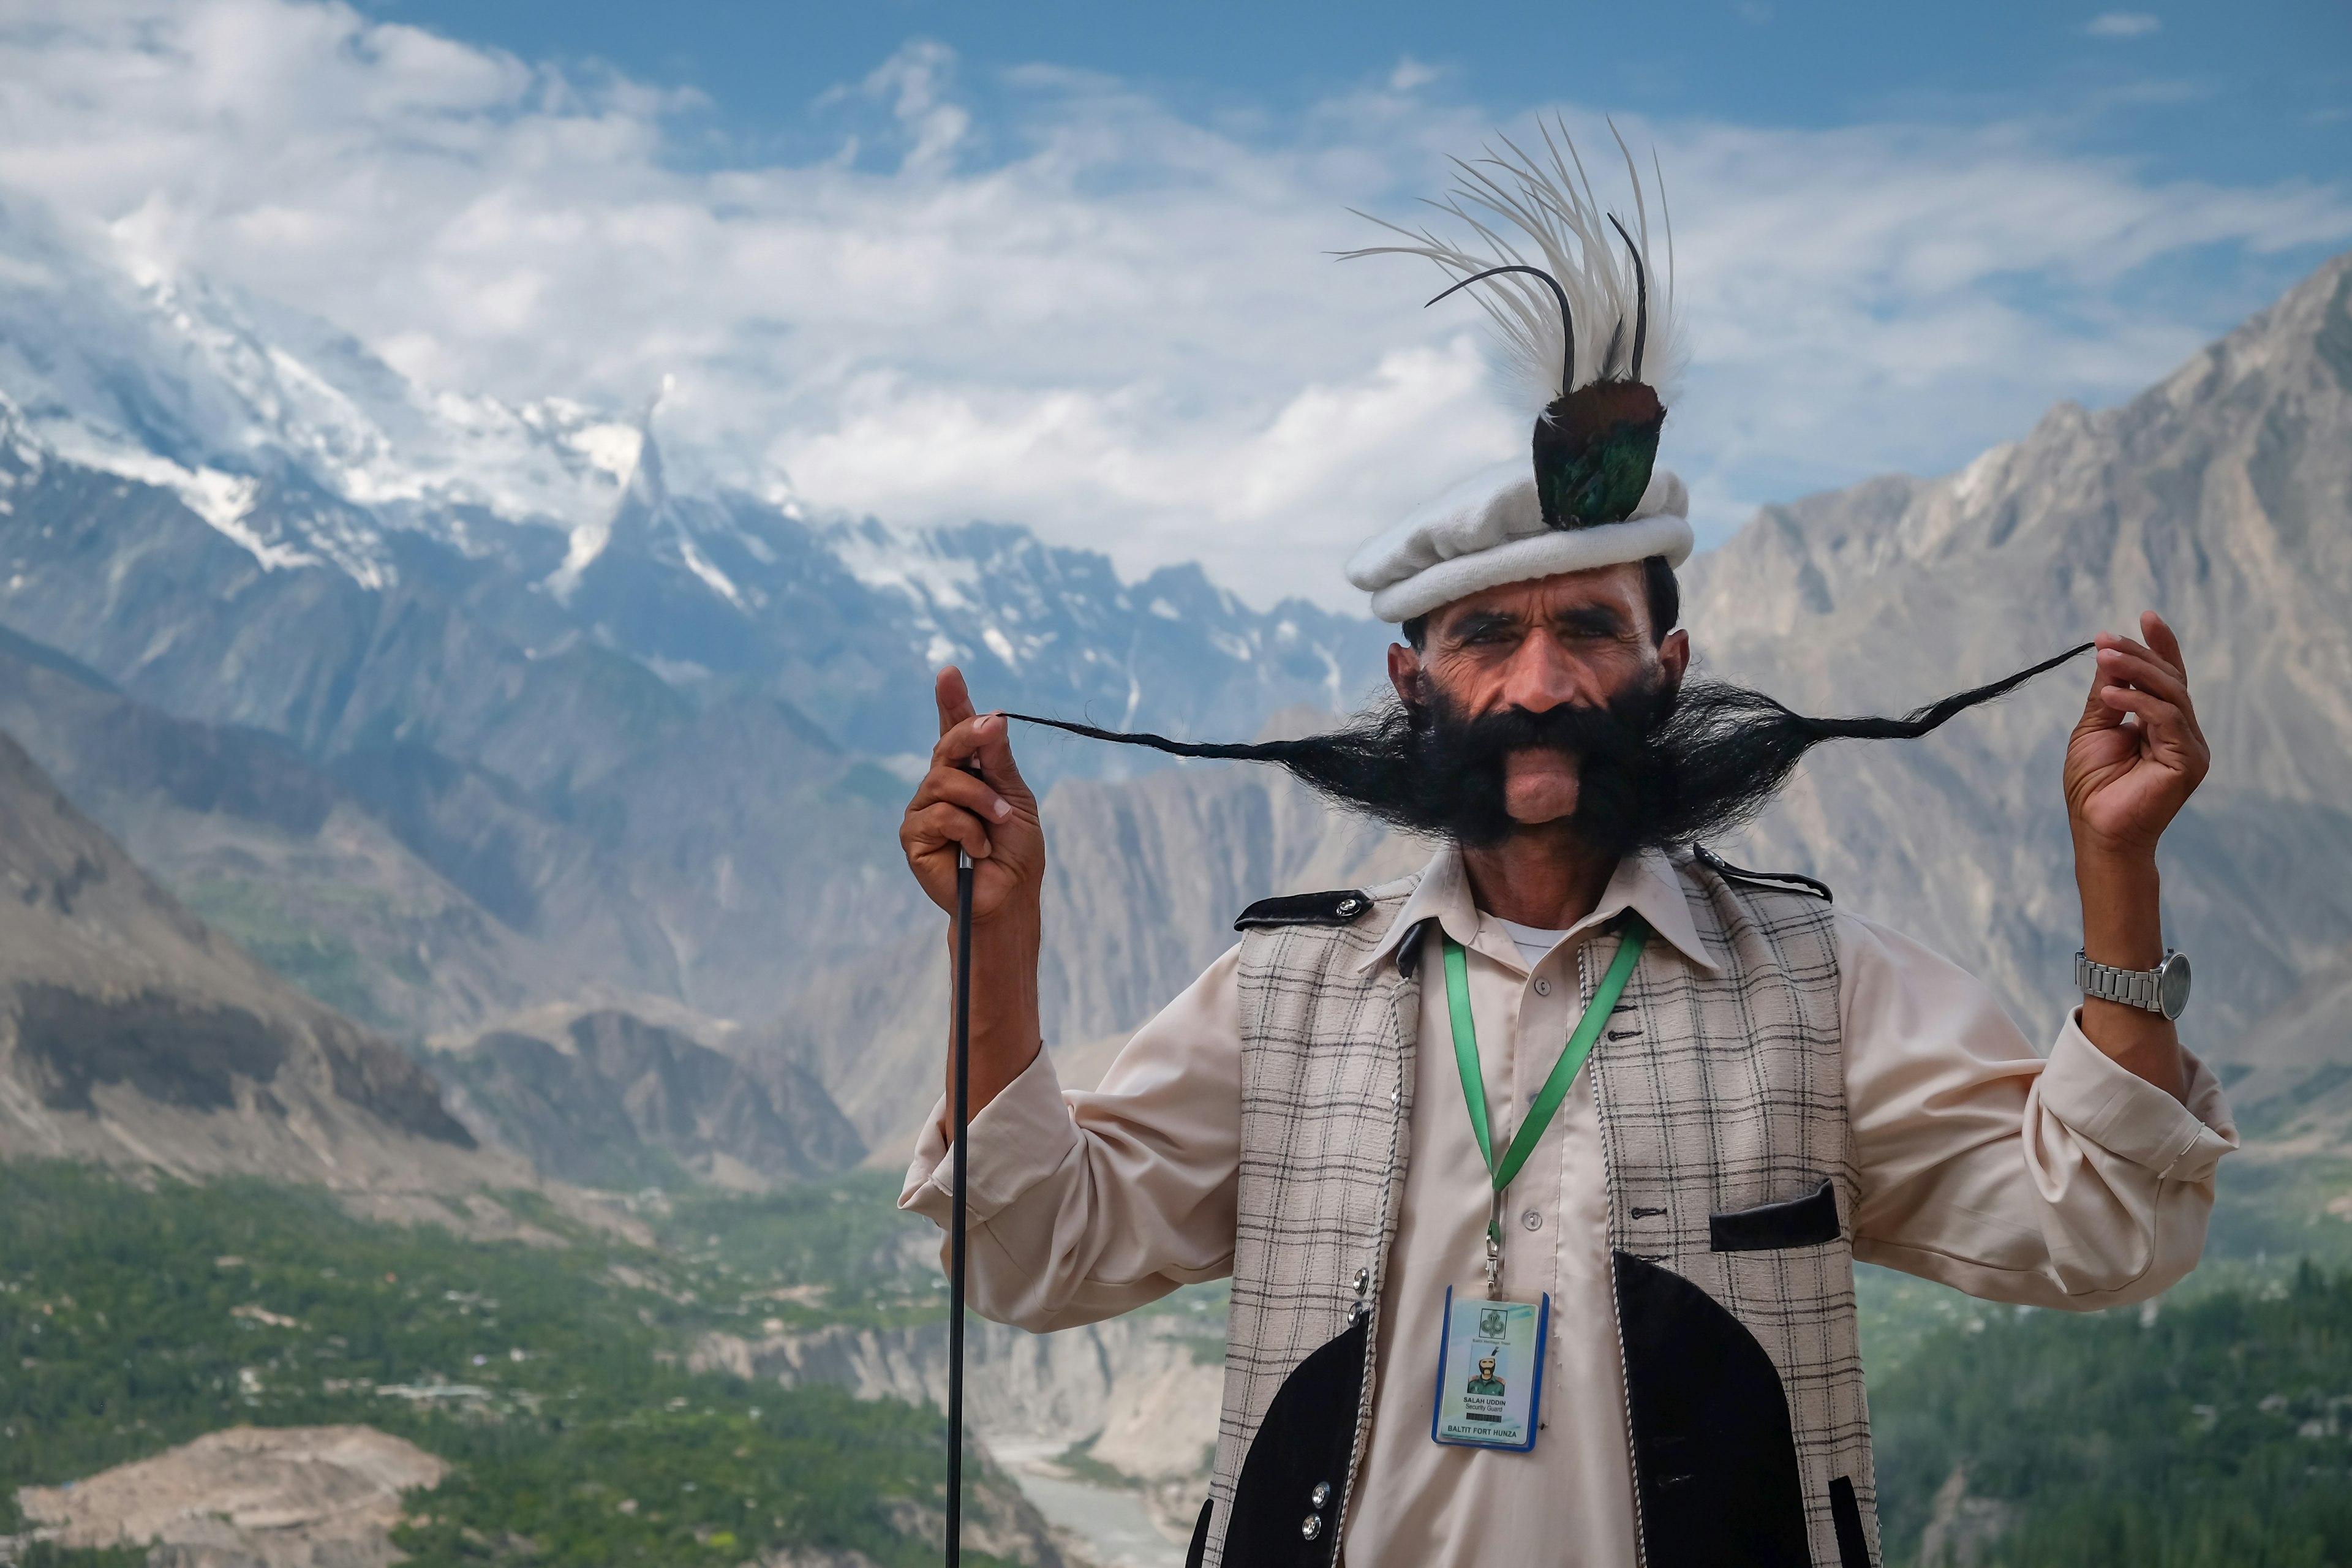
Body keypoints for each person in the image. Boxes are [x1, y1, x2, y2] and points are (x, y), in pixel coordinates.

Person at [896, 129, 2234, 1568]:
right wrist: (1000, 944)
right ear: (1417, 689)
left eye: (1587, 628)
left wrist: (2121, 874)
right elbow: (1028, 1249)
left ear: (1663, 669)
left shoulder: (1810, 985)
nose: (1539, 683)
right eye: (1486, 636)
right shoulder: (1286, 997)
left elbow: (2108, 1231)